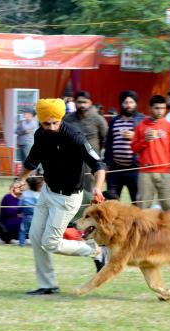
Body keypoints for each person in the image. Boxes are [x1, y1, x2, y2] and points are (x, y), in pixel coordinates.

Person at [14, 98, 106, 295]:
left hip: (67, 198)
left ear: (61, 118)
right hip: (48, 192)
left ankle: (95, 250)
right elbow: (31, 161)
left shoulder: (75, 137)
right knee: (35, 236)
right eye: (47, 123)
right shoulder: (41, 134)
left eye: (55, 122)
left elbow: (98, 165)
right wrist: (20, 180)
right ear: (40, 121)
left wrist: (97, 188)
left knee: (50, 243)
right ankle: (47, 285)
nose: (52, 127)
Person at [131, 95, 170, 210]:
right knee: (143, 206)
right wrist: (144, 141)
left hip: (165, 172)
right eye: (157, 108)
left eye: (162, 108)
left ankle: (168, 228)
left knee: (168, 206)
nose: (160, 111)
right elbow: (134, 148)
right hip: (146, 172)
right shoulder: (141, 126)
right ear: (150, 108)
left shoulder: (169, 127)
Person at [104, 90, 145, 202]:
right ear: (121, 104)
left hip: (135, 169)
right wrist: (106, 165)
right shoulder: (114, 121)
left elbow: (147, 143)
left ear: (136, 104)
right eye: (125, 103)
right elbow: (109, 145)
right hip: (115, 169)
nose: (128, 105)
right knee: (111, 203)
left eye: (131, 102)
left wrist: (135, 137)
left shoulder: (142, 121)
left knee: (137, 202)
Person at [18, 177, 43, 247]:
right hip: (38, 216)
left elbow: (20, 204)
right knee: (38, 231)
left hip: (27, 216)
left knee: (23, 230)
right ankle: (39, 244)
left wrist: (19, 212)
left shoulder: (25, 194)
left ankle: (22, 244)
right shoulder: (40, 194)